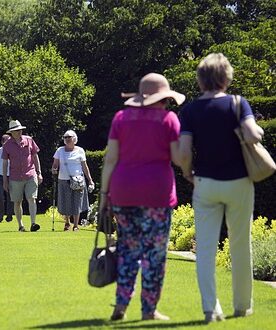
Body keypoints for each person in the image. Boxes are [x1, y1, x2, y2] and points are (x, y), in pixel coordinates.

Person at [179, 53, 263, 323]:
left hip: (205, 182)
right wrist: (257, 132)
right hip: (239, 182)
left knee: (204, 249)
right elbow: (252, 134)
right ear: (227, 77)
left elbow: (182, 152)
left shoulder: (190, 110)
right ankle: (241, 306)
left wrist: (187, 172)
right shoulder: (239, 104)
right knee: (240, 245)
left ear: (200, 79)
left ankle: (210, 309)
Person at [99, 73, 185, 321]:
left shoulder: (120, 118)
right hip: (157, 194)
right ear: (161, 99)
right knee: (154, 255)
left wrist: (104, 194)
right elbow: (178, 159)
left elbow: (110, 159)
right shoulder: (169, 120)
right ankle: (149, 310)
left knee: (127, 251)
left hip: (123, 192)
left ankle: (121, 305)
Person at [2, 120, 42, 232]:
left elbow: (35, 157)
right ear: (12, 132)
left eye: (20, 130)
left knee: (32, 198)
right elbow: (5, 163)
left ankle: (33, 223)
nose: (19, 132)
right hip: (15, 177)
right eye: (16, 131)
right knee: (17, 201)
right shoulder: (7, 145)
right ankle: (20, 225)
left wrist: (39, 173)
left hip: (30, 174)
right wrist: (5, 180)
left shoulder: (29, 140)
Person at [51, 130, 94, 231]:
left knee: (77, 202)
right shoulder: (59, 150)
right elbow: (55, 164)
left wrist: (90, 179)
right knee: (66, 201)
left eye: (69, 137)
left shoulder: (80, 150)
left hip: (78, 180)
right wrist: (54, 169)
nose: (66, 139)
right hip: (63, 179)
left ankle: (75, 225)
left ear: (74, 138)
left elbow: (84, 166)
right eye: (65, 137)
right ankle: (67, 222)